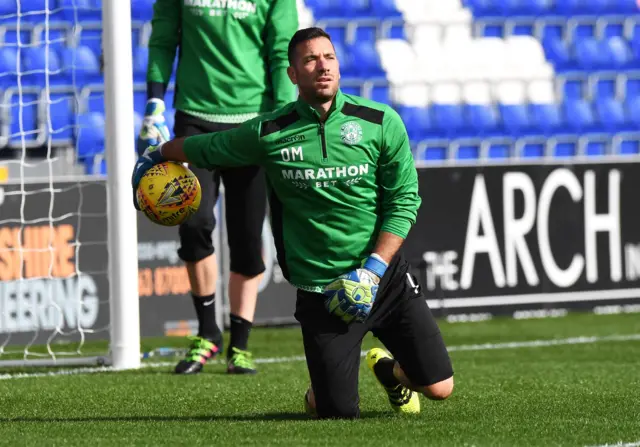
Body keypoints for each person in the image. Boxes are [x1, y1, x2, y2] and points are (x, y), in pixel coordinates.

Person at [132, 27, 454, 419]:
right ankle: (324, 387)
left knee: (439, 388)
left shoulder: (380, 122)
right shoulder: (269, 131)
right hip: (322, 290)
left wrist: (373, 269)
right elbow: (210, 146)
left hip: (382, 279)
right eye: (310, 60)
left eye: (329, 57)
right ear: (293, 75)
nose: (323, 66)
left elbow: (404, 201)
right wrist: (159, 151)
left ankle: (389, 373)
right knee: (335, 411)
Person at [138, 0, 299, 375]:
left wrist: (284, 117)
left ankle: (240, 345)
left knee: (246, 237)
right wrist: (154, 103)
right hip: (194, 118)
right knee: (192, 224)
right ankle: (208, 333)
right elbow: (163, 39)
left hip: (254, 123)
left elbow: (281, 51)